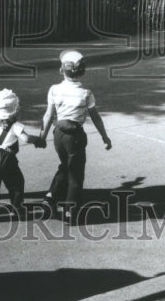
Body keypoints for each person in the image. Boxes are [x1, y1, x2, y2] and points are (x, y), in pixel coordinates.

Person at [41, 49, 112, 223]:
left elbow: (48, 115)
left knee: (65, 165)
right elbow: (95, 117)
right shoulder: (86, 94)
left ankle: (50, 197)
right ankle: (70, 211)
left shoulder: (54, 89)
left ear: (62, 70)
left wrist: (42, 136)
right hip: (75, 137)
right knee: (76, 174)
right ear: (82, 72)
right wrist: (104, 136)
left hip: (58, 135)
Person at [0, 88, 45, 221]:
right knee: (16, 184)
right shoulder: (16, 125)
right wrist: (36, 139)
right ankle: (18, 209)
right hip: (8, 158)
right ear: (15, 108)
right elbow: (25, 138)